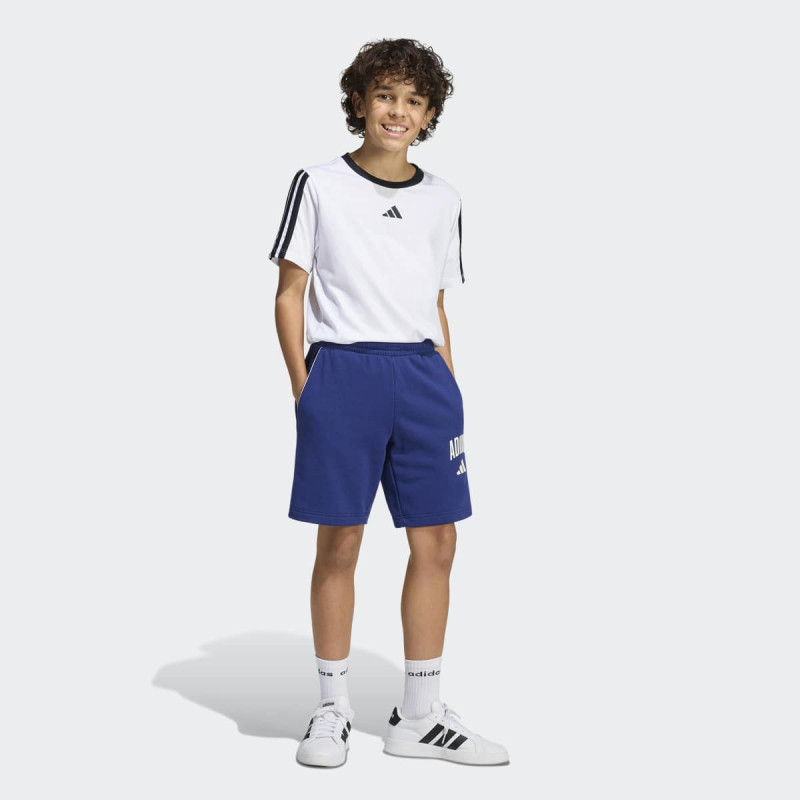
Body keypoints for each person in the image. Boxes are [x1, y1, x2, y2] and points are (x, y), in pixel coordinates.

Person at [270, 38, 509, 768]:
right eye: (385, 96)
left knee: (438, 542)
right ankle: (332, 708)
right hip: (343, 373)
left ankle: (420, 715)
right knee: (341, 541)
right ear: (359, 102)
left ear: (429, 114)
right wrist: (305, 389)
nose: (397, 112)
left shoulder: (444, 198)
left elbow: (435, 302)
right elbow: (289, 294)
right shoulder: (318, 183)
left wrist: (450, 385)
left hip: (423, 377)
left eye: (413, 100)